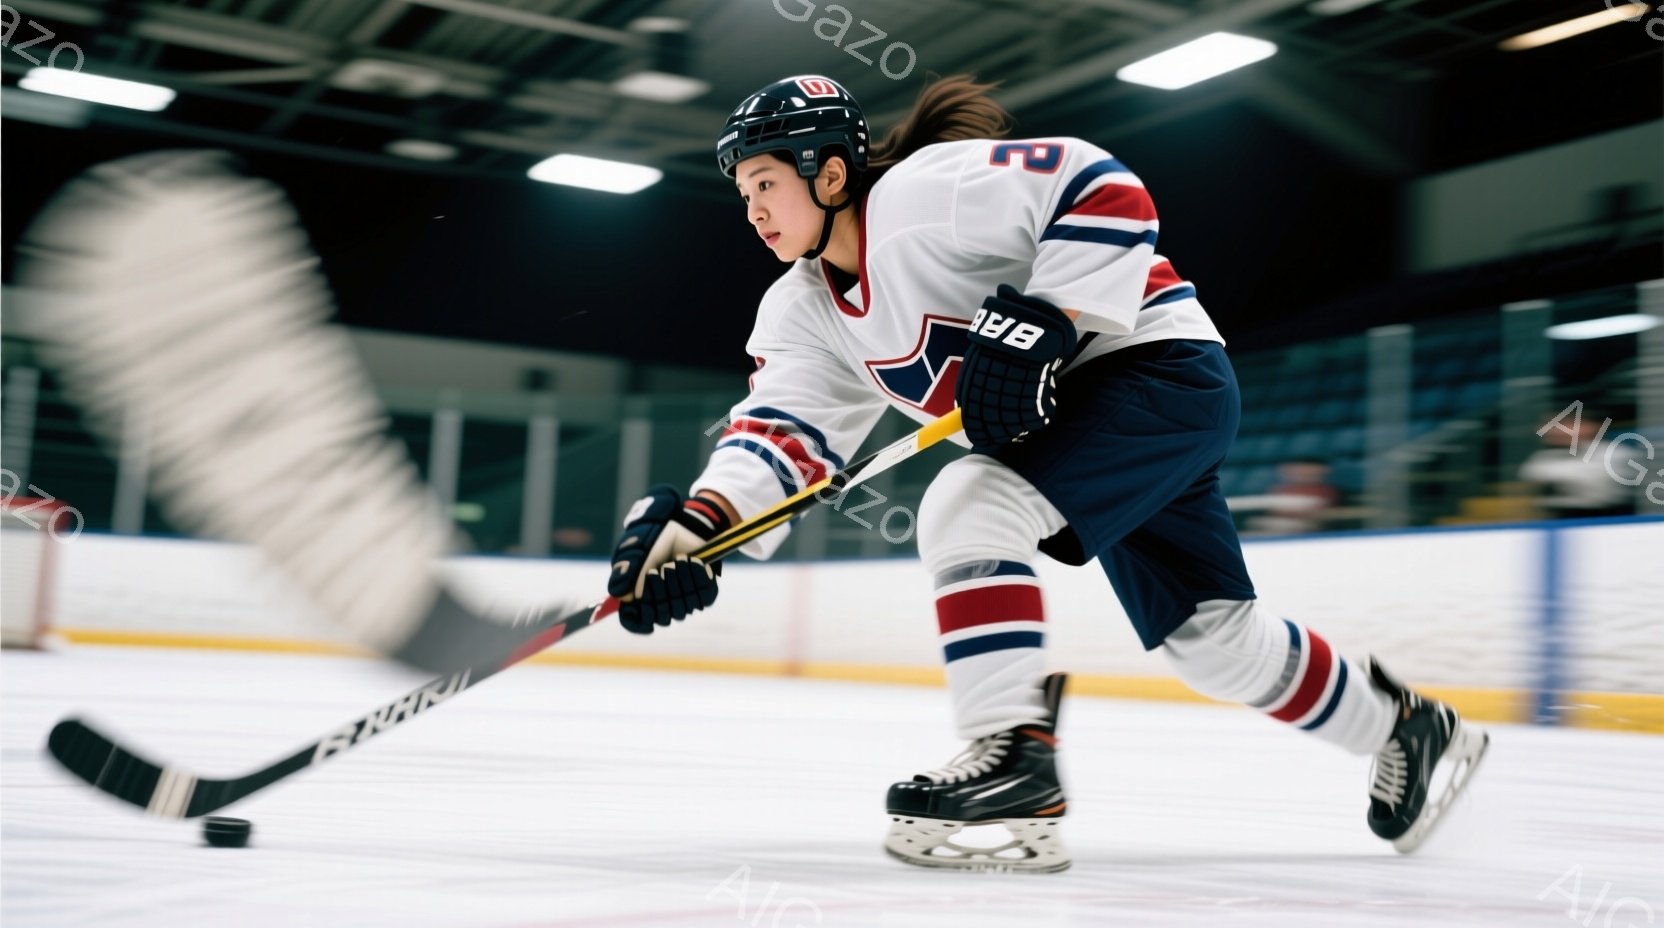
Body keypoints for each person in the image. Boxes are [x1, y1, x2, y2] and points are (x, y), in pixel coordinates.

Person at [606, 74, 1489, 871]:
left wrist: (1049, 315)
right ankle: (1405, 729)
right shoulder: (803, 311)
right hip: (1090, 424)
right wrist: (699, 527)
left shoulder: (921, 194)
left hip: (1157, 373)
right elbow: (783, 433)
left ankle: (1013, 755)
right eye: (743, 193)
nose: (753, 210)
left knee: (967, 507)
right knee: (1212, 641)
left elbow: (1100, 185)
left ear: (830, 173)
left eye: (766, 183)